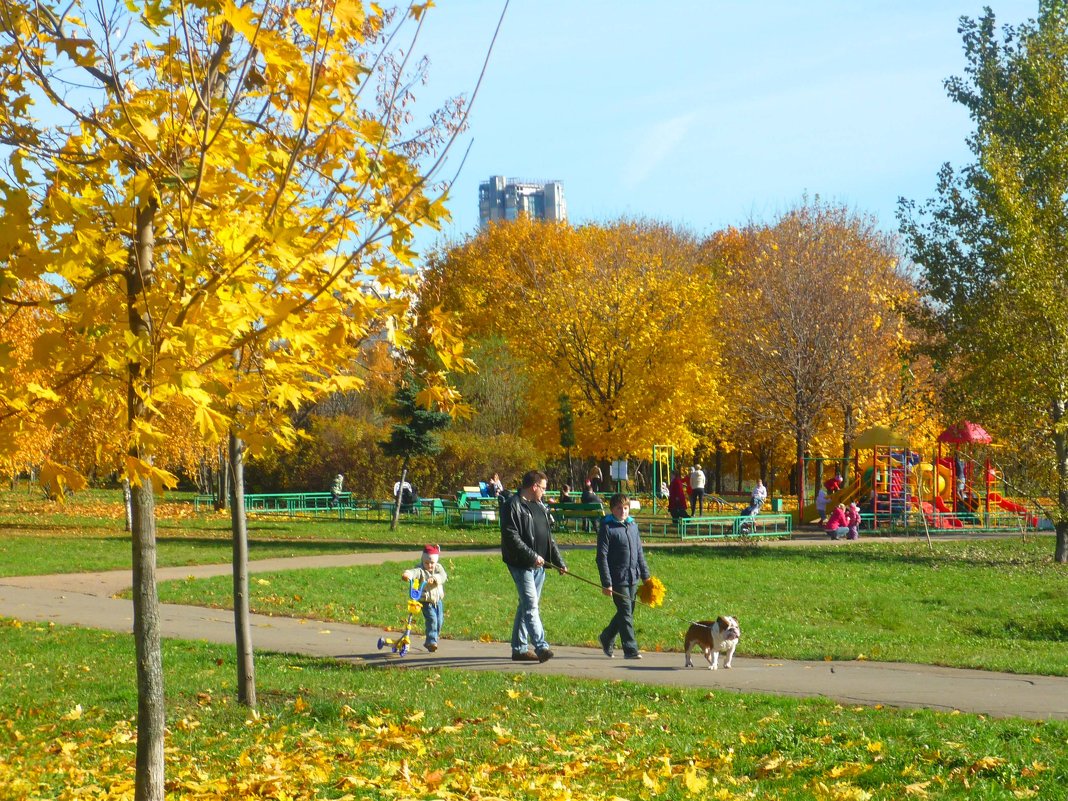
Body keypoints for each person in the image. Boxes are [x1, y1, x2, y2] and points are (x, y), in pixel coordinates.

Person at [500, 470, 568, 663]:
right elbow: (511, 537)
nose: (545, 493)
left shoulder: (539, 505)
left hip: (540, 566)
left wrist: (558, 562)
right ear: (534, 486)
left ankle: (519, 649)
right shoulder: (512, 506)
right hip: (521, 564)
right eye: (544, 488)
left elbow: (548, 539)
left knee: (525, 605)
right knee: (531, 605)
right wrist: (532, 556)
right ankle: (541, 647)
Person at [596, 493, 651, 660]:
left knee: (626, 612)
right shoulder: (607, 528)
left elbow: (639, 552)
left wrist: (645, 576)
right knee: (626, 612)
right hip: (617, 578)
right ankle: (630, 649)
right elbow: (602, 557)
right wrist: (607, 583)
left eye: (625, 508)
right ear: (612, 509)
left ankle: (606, 637)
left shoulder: (632, 526)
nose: (623, 511)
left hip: (633, 576)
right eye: (619, 508)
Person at [401, 544, 447, 652]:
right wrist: (407, 575)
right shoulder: (420, 570)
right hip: (426, 601)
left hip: (438, 601)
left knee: (439, 621)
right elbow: (414, 572)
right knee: (432, 620)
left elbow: (443, 576)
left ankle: (433, 637)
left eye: (432, 563)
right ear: (423, 560)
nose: (429, 565)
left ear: (436, 562)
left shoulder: (438, 568)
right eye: (427, 563)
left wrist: (434, 578)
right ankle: (431, 642)